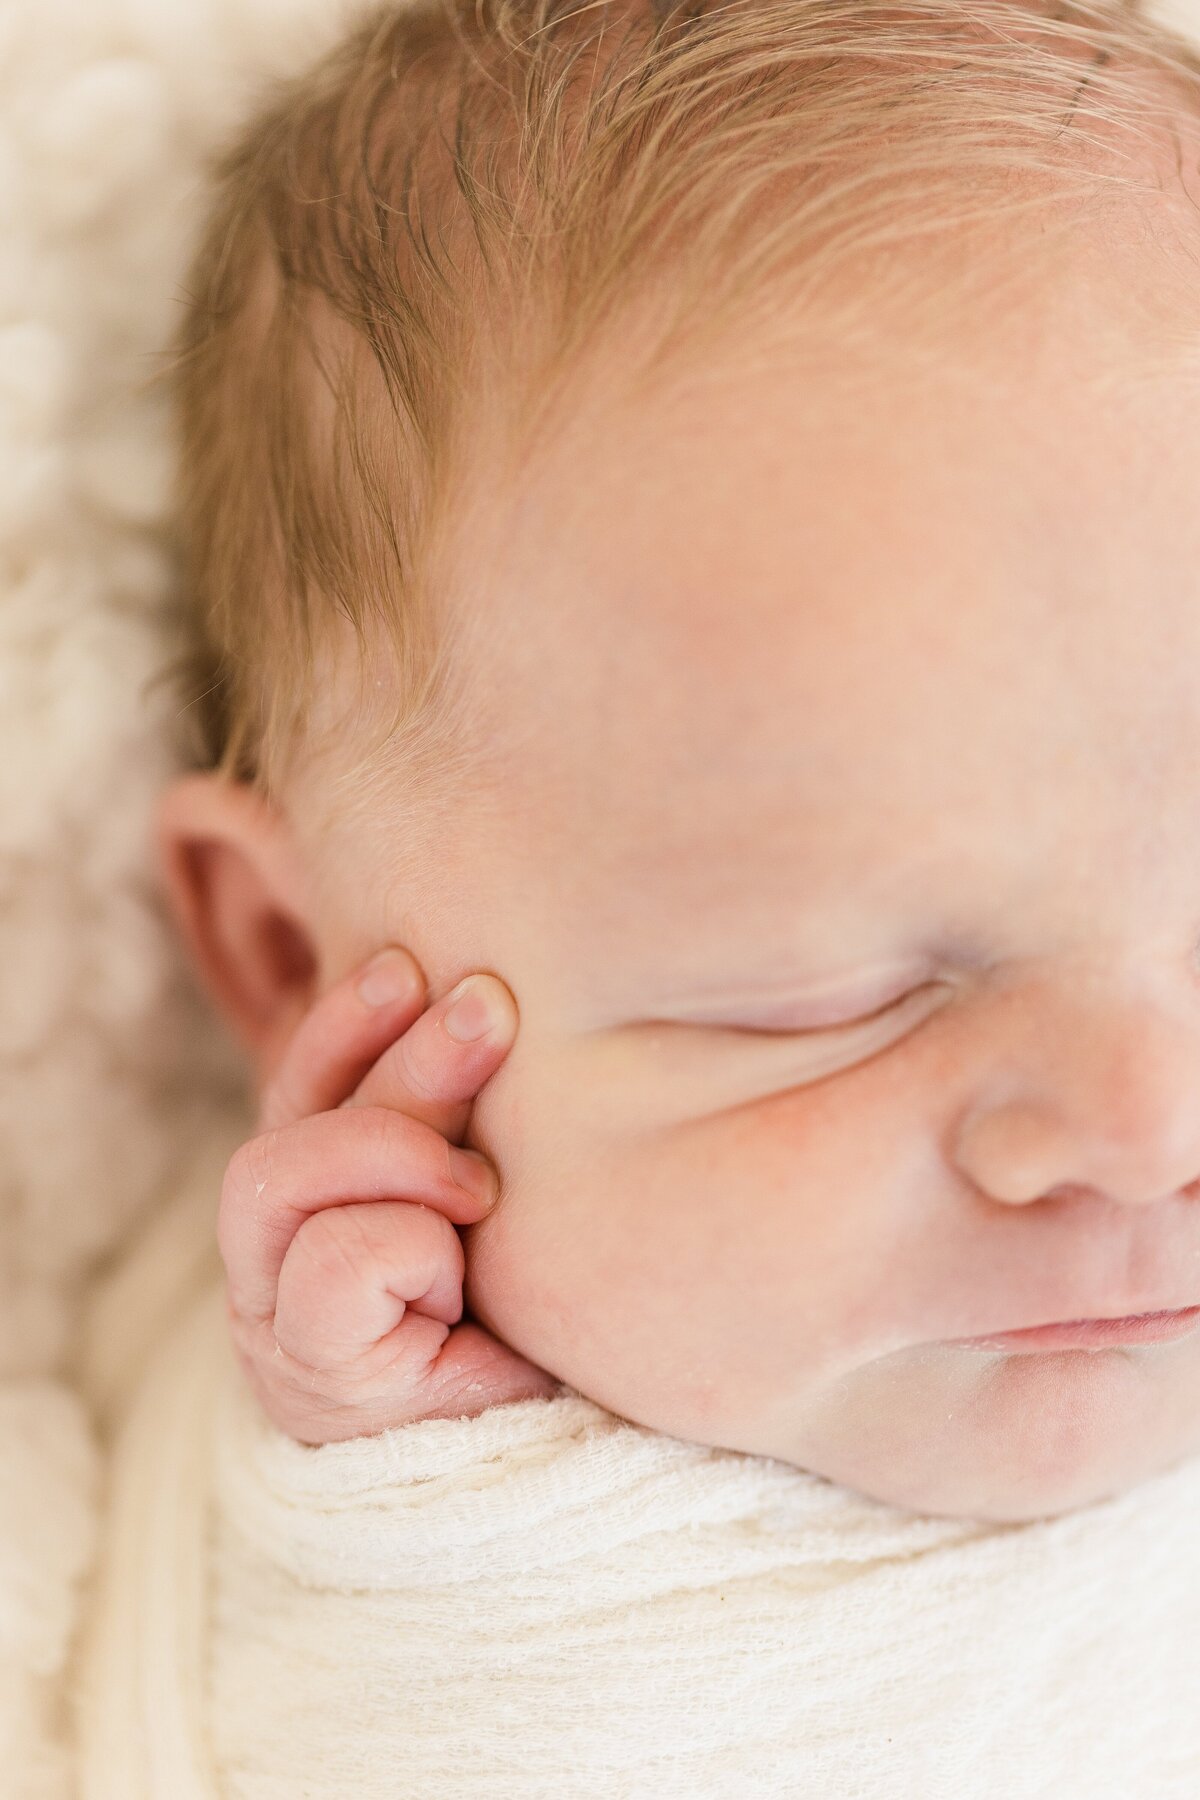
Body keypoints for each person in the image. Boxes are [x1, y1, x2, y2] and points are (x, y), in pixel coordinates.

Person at [155, 0, 1200, 1526]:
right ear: (286, 950)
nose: (1147, 1132)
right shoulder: (213, 1382)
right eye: (828, 996)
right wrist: (399, 1479)